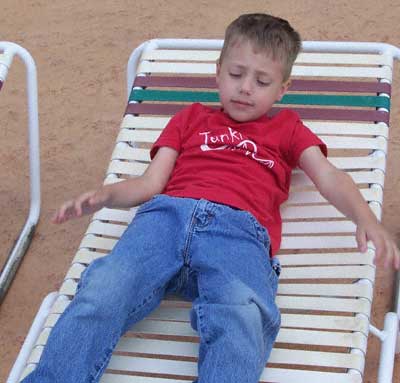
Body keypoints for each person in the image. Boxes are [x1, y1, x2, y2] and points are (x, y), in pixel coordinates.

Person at [22, 13, 399, 383]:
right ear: (217, 71)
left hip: (238, 235)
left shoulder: (288, 129)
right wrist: (106, 196)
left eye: (262, 81)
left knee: (241, 314)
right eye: (236, 74)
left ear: (282, 89)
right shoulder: (190, 118)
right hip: (164, 219)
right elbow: (150, 184)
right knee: (103, 291)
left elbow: (329, 177)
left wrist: (366, 219)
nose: (245, 87)